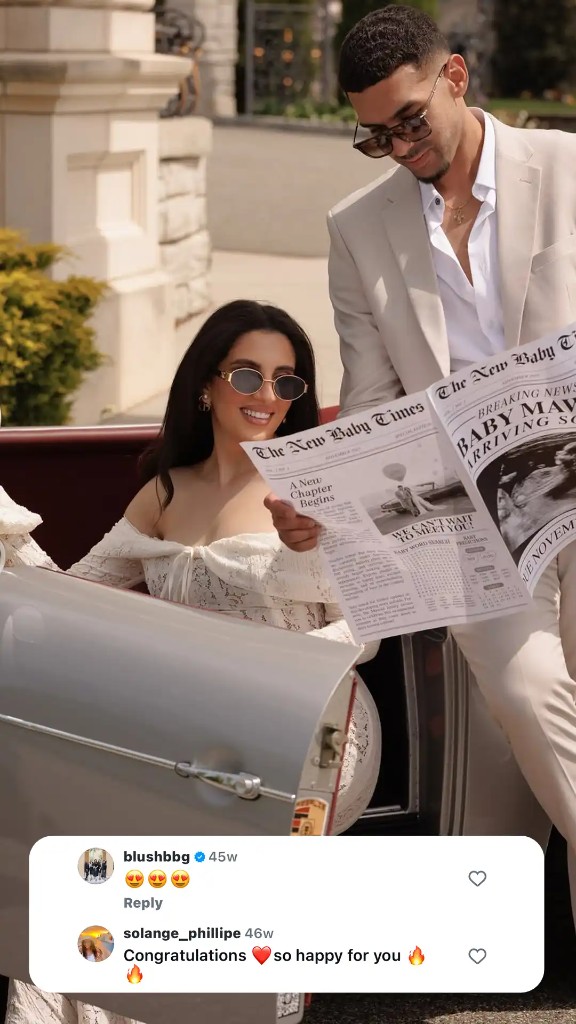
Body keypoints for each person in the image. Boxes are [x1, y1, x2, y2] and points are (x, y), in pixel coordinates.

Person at [265, 5, 576, 921]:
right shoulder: (356, 228)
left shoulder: (569, 168)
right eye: (374, 136)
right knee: (527, 698)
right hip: (464, 518)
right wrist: (323, 497)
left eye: (410, 122)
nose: (399, 147)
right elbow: (369, 400)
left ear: (456, 78)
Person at [2, 299, 381, 1024]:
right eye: (249, 375)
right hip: (194, 731)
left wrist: (278, 674)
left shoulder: (316, 492)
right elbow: (71, 607)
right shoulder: (164, 493)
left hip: (319, 729)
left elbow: (371, 626)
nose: (268, 397)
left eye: (287, 382)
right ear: (205, 387)